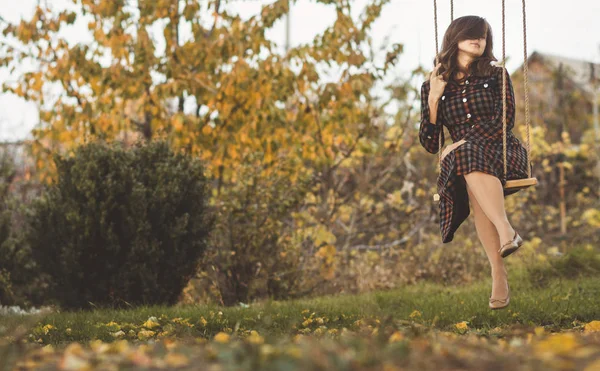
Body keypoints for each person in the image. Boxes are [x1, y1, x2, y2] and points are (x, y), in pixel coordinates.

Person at [418, 15, 530, 310]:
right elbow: (431, 145)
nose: (477, 38)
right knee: (466, 162)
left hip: (501, 153)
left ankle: (502, 252)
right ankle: (501, 262)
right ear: (455, 38)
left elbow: (504, 121)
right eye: (471, 34)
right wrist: (434, 102)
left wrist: (463, 141)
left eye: (482, 35)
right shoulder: (434, 85)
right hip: (464, 163)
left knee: (465, 155)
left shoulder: (496, 75)